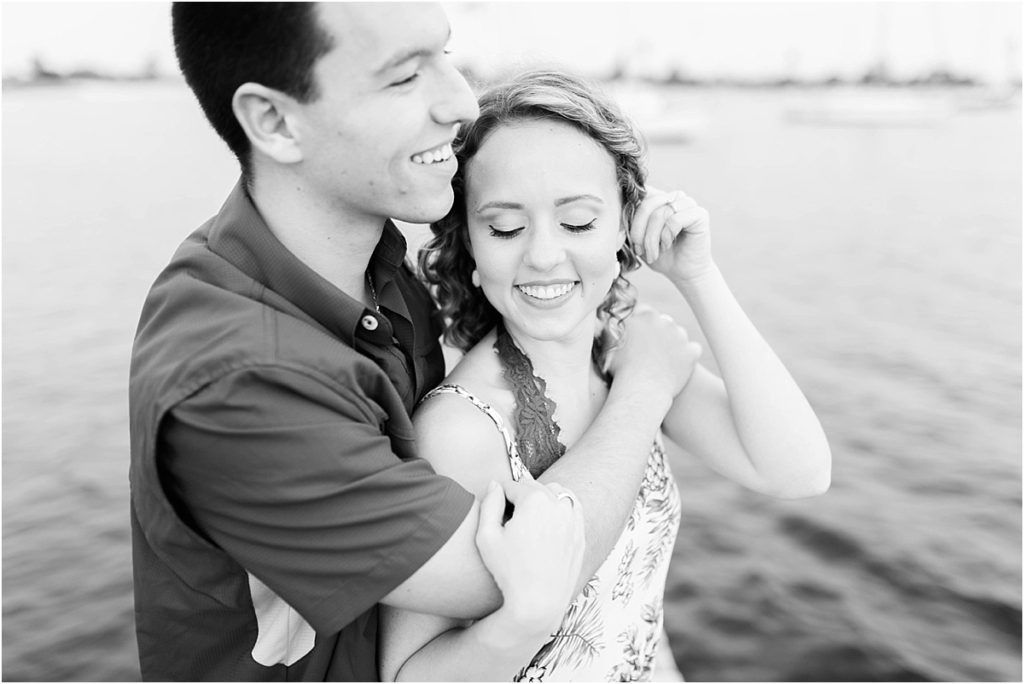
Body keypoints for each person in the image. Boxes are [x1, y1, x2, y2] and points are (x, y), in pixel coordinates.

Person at [129, 4, 701, 681]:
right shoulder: (235, 378)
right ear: (276, 122)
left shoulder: (376, 265)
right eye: (405, 78)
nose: (461, 102)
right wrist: (643, 388)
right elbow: (509, 573)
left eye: (445, 55)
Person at [378, 70, 832, 681]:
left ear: (624, 226)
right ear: (470, 245)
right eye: (505, 227)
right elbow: (408, 674)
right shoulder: (464, 431)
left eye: (578, 222)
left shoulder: (625, 353)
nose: (542, 254)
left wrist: (696, 275)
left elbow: (798, 471)